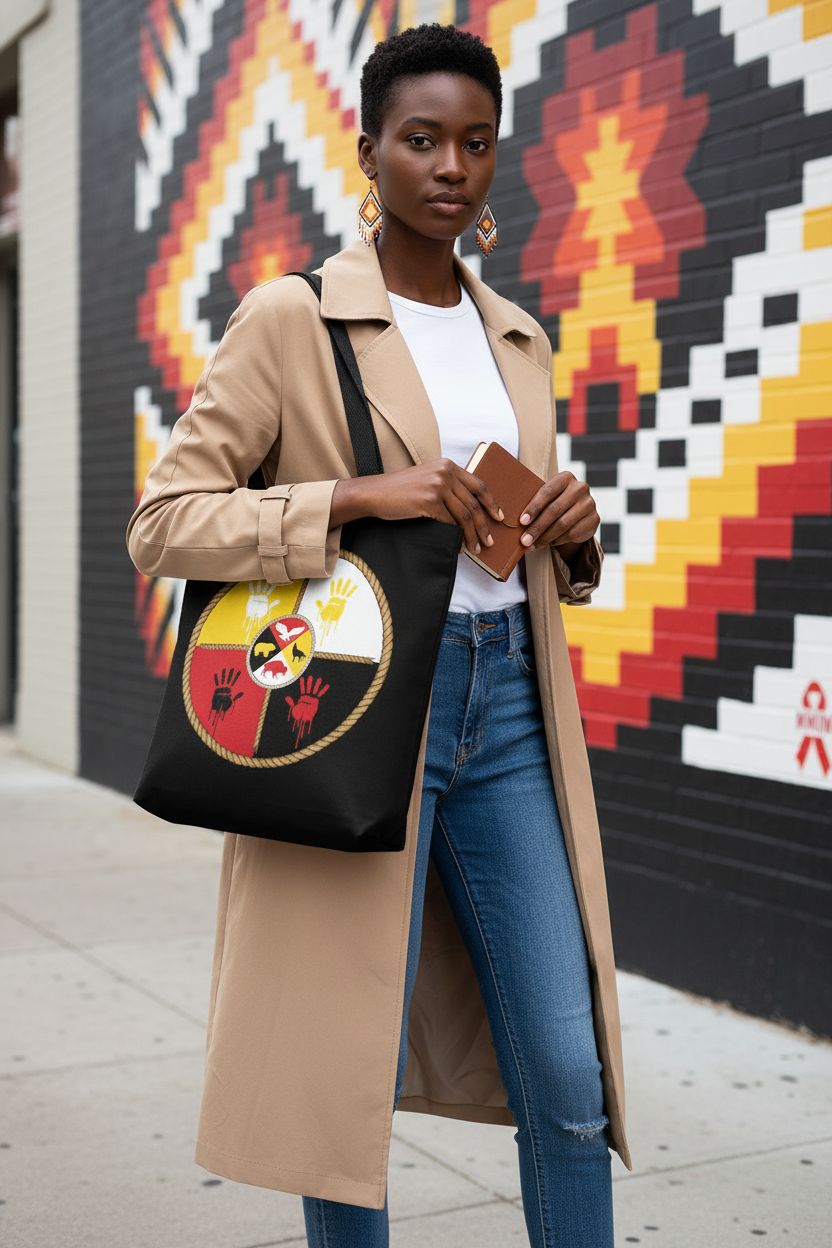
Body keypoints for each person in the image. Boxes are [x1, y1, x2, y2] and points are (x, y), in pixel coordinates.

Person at [127, 21, 631, 1248]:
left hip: (507, 707)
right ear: (369, 153)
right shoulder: (289, 318)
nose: (450, 166)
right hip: (356, 707)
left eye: (473, 141)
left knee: (568, 1082)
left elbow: (523, 547)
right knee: (336, 1093)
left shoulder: (519, 336)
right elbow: (163, 522)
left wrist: (576, 530)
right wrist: (350, 500)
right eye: (421, 140)